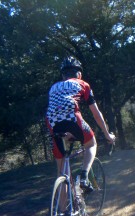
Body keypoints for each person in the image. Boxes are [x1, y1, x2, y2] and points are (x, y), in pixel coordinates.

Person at [46, 56, 115, 190]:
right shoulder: (82, 84)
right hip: (72, 118)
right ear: (79, 74)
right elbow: (96, 113)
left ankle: (62, 210)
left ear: (63, 75)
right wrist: (107, 135)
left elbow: (57, 110)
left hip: (52, 124)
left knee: (61, 172)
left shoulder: (53, 88)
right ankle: (84, 176)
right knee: (91, 144)